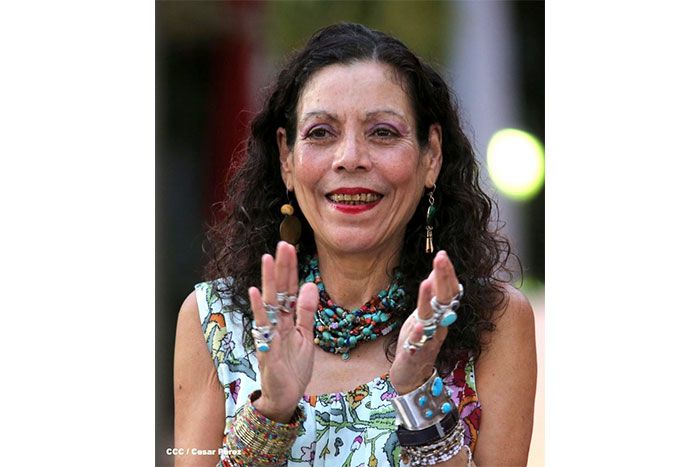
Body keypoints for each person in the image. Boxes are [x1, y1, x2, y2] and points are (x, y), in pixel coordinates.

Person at [174, 22, 536, 467]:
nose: (349, 158)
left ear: (431, 156)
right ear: (286, 158)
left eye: (382, 132)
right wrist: (271, 413)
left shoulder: (492, 321)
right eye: (320, 133)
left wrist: (417, 392)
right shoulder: (214, 320)